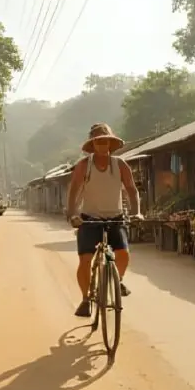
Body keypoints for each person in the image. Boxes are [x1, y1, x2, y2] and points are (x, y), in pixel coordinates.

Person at [65, 123, 143, 317]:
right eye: (98, 141)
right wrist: (73, 214)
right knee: (85, 260)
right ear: (93, 144)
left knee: (123, 254)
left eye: (106, 140)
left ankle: (118, 280)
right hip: (89, 219)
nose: (102, 144)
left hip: (115, 217)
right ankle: (85, 298)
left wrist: (136, 212)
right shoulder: (85, 165)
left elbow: (132, 190)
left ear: (110, 143)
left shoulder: (120, 165)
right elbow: (74, 190)